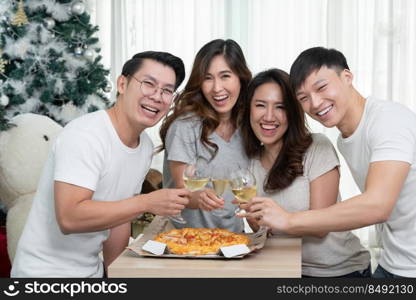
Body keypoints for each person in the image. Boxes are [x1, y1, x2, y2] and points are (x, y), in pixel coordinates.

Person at [11, 51, 190, 277]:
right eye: (148, 84)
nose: (157, 96)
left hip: (91, 272)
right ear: (122, 84)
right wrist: (145, 202)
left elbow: (119, 220)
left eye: (167, 90)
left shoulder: (144, 146)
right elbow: (69, 217)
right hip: (44, 274)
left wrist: (117, 276)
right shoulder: (86, 135)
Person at [247, 46, 416, 278]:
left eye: (322, 87)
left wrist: (288, 220)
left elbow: (378, 205)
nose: (315, 103)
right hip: (394, 262)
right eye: (304, 98)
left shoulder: (388, 120)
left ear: (347, 77)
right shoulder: (345, 137)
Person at [239, 68, 370, 277]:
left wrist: (279, 217)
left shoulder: (317, 147)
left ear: (292, 112)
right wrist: (258, 223)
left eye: (280, 107)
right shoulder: (249, 164)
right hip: (285, 270)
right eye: (260, 105)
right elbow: (267, 232)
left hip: (337, 272)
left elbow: (320, 226)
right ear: (249, 111)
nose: (269, 116)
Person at [159, 39, 251, 232]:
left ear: (240, 77)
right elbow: (182, 191)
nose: (217, 88)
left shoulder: (249, 126)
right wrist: (198, 196)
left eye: (225, 76)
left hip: (232, 242)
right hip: (186, 242)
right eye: (208, 78)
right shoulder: (185, 127)